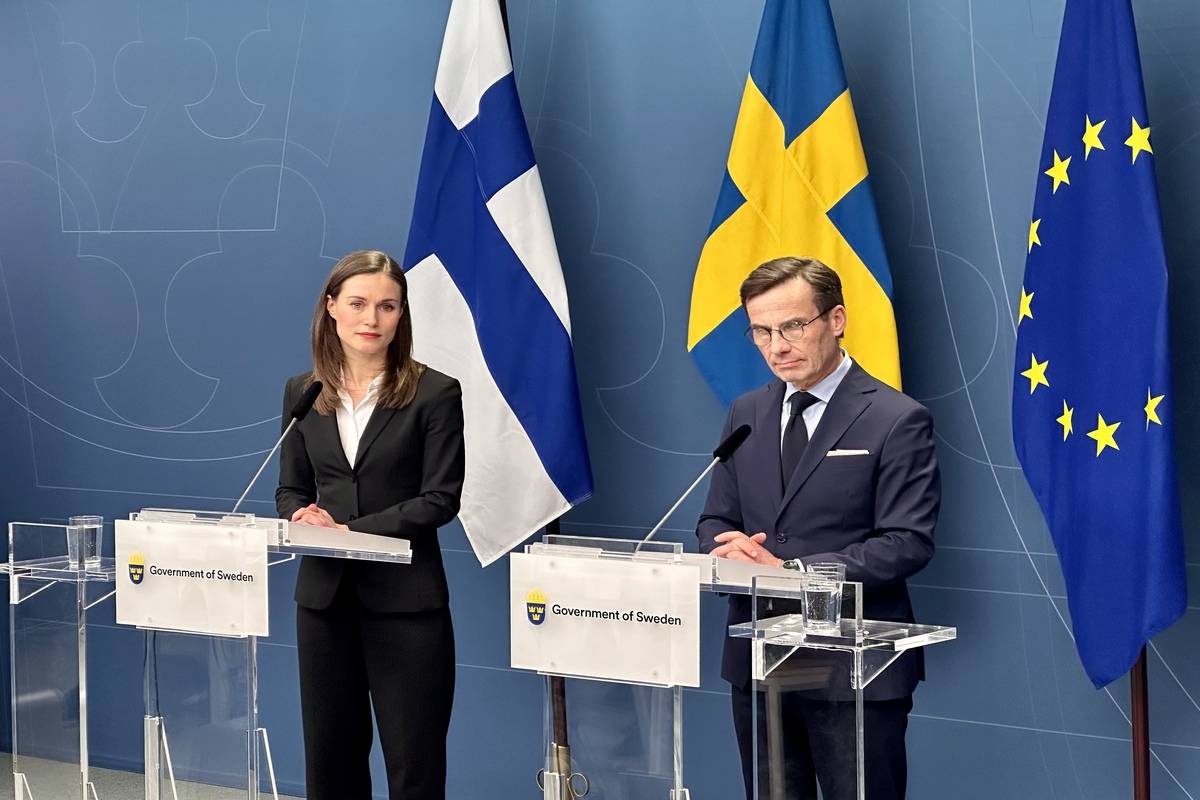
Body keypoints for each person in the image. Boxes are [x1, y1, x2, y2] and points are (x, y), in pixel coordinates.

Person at [696, 256, 940, 800]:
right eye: (761, 330)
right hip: (759, 659)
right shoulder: (746, 412)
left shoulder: (896, 418)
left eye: (792, 326)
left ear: (836, 319)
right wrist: (727, 546)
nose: (776, 345)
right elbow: (715, 518)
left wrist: (795, 573)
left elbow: (907, 542)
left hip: (853, 666)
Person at [276, 249, 464, 800]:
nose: (371, 319)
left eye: (387, 306)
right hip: (324, 602)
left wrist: (350, 532)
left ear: (401, 315)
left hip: (407, 604)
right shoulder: (303, 392)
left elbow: (440, 498)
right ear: (330, 307)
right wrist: (301, 516)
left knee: (414, 763)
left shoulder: (436, 392)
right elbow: (290, 488)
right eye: (357, 303)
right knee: (330, 762)